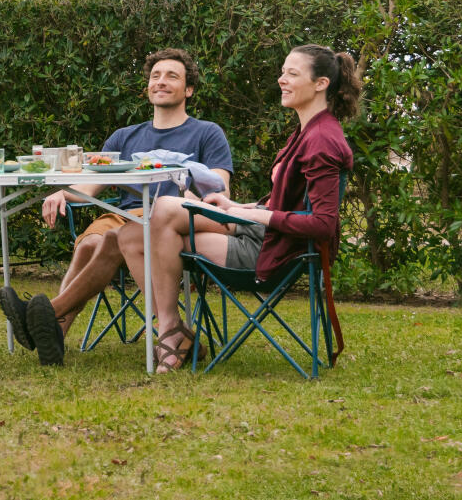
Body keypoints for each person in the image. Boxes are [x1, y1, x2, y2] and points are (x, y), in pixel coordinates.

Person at [0, 48, 233, 365]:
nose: (161, 82)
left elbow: (220, 189)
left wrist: (192, 196)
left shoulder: (207, 133)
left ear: (188, 89)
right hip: (123, 216)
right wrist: (63, 193)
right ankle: (53, 333)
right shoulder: (124, 137)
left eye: (172, 76)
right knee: (90, 243)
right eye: (155, 76)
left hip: (169, 219)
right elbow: (91, 186)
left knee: (108, 240)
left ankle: (48, 317)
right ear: (147, 87)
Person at [137, 43, 358, 372]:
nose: (281, 79)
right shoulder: (307, 131)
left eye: (292, 73)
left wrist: (251, 214)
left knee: (165, 215)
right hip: (266, 235)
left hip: (280, 250)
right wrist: (235, 204)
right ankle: (172, 330)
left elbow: (323, 223)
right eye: (283, 72)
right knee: (160, 229)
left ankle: (171, 333)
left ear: (321, 84)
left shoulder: (322, 139)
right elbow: (287, 200)